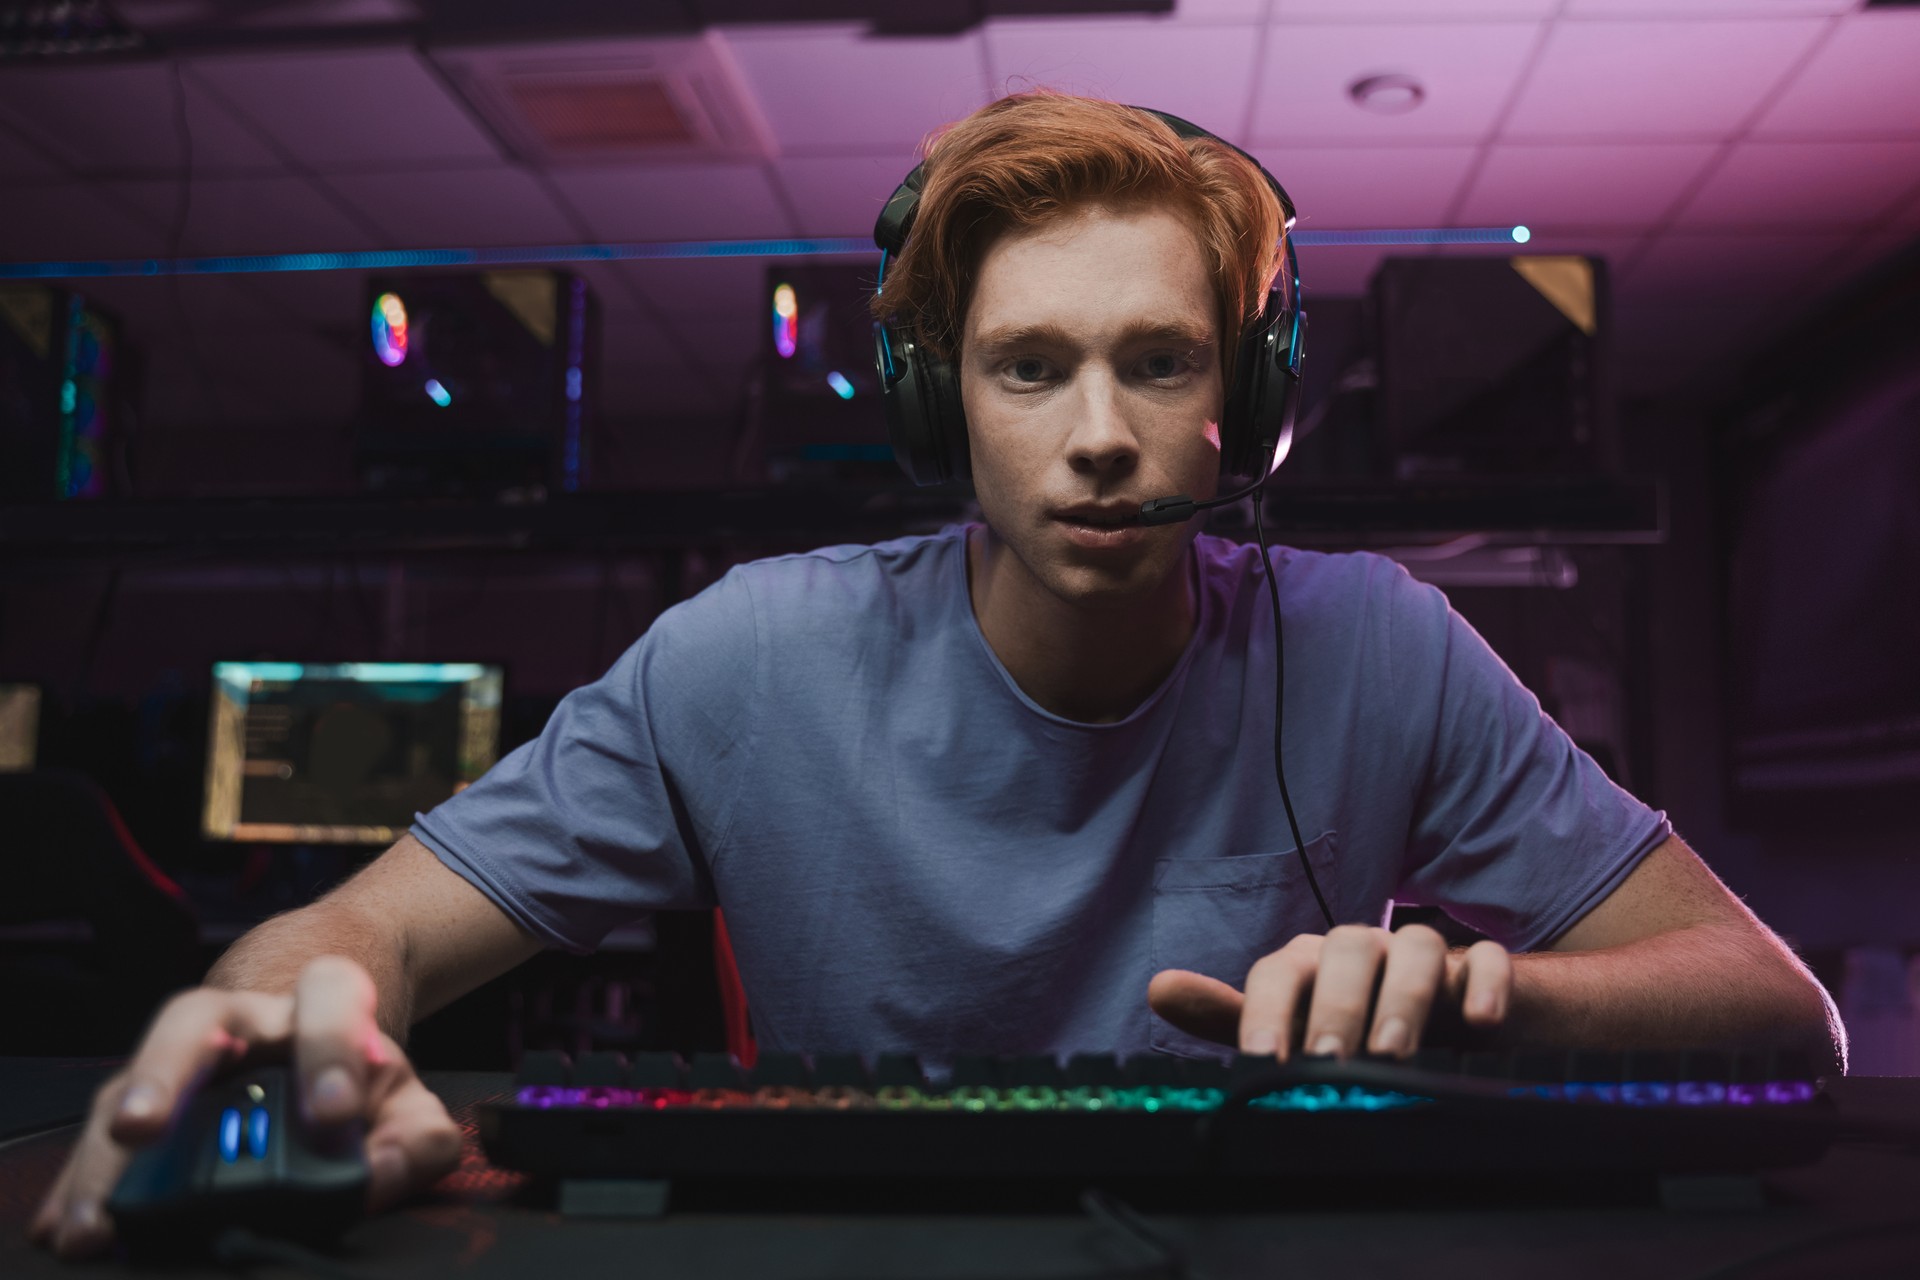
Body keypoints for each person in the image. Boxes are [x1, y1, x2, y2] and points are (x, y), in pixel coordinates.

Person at [34, 91, 1843, 1259]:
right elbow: (351, 940)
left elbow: (1779, 1014)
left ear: (1247, 409)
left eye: (1158, 361)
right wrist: (297, 1021)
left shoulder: (1375, 644)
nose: (1102, 438)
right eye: (1028, 368)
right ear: (933, 404)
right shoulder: (751, 653)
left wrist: (1482, 997)